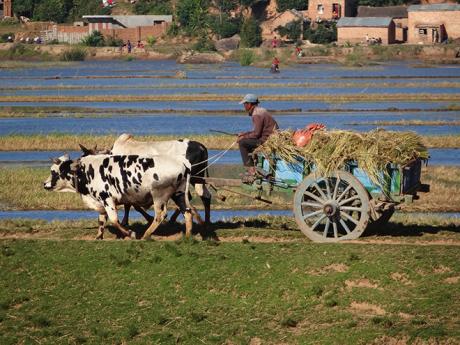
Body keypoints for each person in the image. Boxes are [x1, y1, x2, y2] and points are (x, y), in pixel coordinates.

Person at [238, 94, 279, 179]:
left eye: (245, 104)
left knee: (242, 143)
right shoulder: (260, 111)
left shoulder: (256, 114)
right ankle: (255, 166)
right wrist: (244, 134)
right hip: (269, 138)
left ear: (249, 104)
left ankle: (251, 169)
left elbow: (256, 134)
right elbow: (257, 131)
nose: (244, 106)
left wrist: (243, 137)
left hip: (266, 140)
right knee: (245, 140)